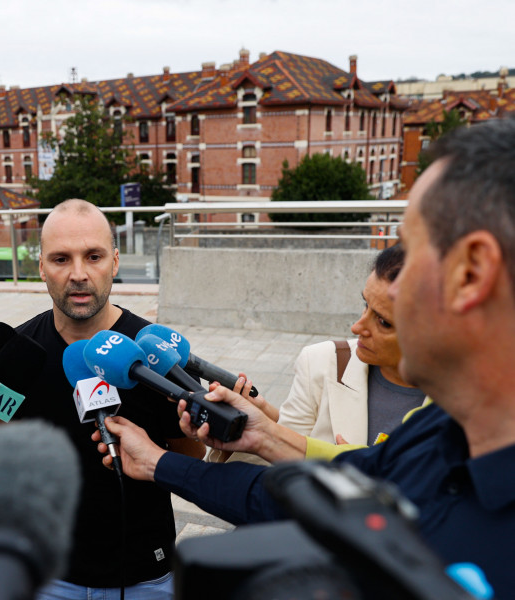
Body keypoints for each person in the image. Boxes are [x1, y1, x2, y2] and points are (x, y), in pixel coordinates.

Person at [96, 118, 515, 594]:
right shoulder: (439, 428)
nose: (392, 279)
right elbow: (321, 491)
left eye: (411, 250)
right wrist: (238, 442)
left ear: (472, 273)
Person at [13, 199, 206, 599]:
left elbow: (189, 459)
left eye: (94, 256)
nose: (79, 274)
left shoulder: (157, 353)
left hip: (144, 574)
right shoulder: (18, 353)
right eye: (61, 259)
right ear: (41, 267)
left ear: (115, 262)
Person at [277, 244, 425, 448]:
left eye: (383, 322)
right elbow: (276, 458)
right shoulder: (320, 362)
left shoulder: (470, 406)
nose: (357, 327)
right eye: (366, 304)